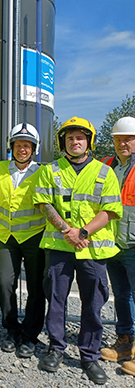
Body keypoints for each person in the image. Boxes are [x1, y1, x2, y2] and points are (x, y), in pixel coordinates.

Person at [34, 116, 123, 385]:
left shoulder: (104, 172)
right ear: (64, 142)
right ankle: (56, 348)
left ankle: (90, 355)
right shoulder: (51, 170)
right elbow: (44, 203)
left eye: (80, 138)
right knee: (57, 300)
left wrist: (81, 232)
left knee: (93, 304)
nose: (75, 142)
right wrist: (67, 231)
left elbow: (110, 210)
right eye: (70, 138)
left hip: (93, 249)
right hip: (60, 247)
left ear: (89, 142)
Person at [0, 123, 46, 358]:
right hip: (5, 236)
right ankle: (11, 329)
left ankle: (30, 335)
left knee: (36, 288)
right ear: (11, 146)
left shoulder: (43, 172)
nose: (23, 149)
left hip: (34, 236)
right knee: (4, 283)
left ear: (34, 148)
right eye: (18, 144)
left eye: (27, 145)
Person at [99, 117, 135, 375]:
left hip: (134, 244)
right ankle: (124, 342)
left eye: (128, 138)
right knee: (121, 296)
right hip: (113, 244)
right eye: (119, 138)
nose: (123, 143)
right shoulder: (106, 166)